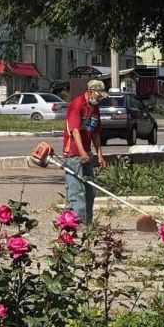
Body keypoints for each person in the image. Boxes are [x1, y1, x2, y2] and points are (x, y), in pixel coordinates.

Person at [62, 79, 107, 225]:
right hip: (74, 155)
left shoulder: (95, 109)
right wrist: (81, 152)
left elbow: (96, 134)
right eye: (98, 95)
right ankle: (74, 225)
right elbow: (75, 131)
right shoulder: (76, 105)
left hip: (86, 155)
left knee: (90, 191)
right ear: (90, 92)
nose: (99, 99)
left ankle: (87, 225)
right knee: (77, 192)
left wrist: (99, 155)